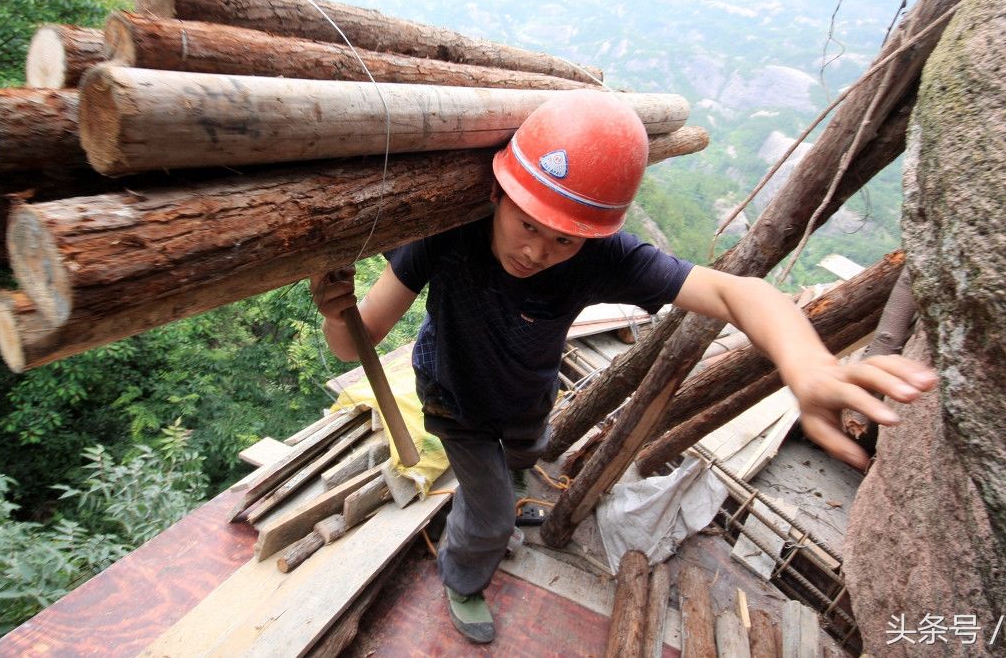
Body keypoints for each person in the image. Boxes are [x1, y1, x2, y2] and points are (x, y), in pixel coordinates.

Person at [310, 89, 935, 644]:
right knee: (491, 513)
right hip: (457, 400)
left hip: (528, 394)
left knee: (531, 448)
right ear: (499, 192)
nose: (538, 251)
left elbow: (734, 293)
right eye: (526, 224)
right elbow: (356, 342)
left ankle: (511, 483)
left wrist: (807, 364)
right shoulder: (444, 238)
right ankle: (463, 575)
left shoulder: (601, 257)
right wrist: (338, 316)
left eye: (564, 239)